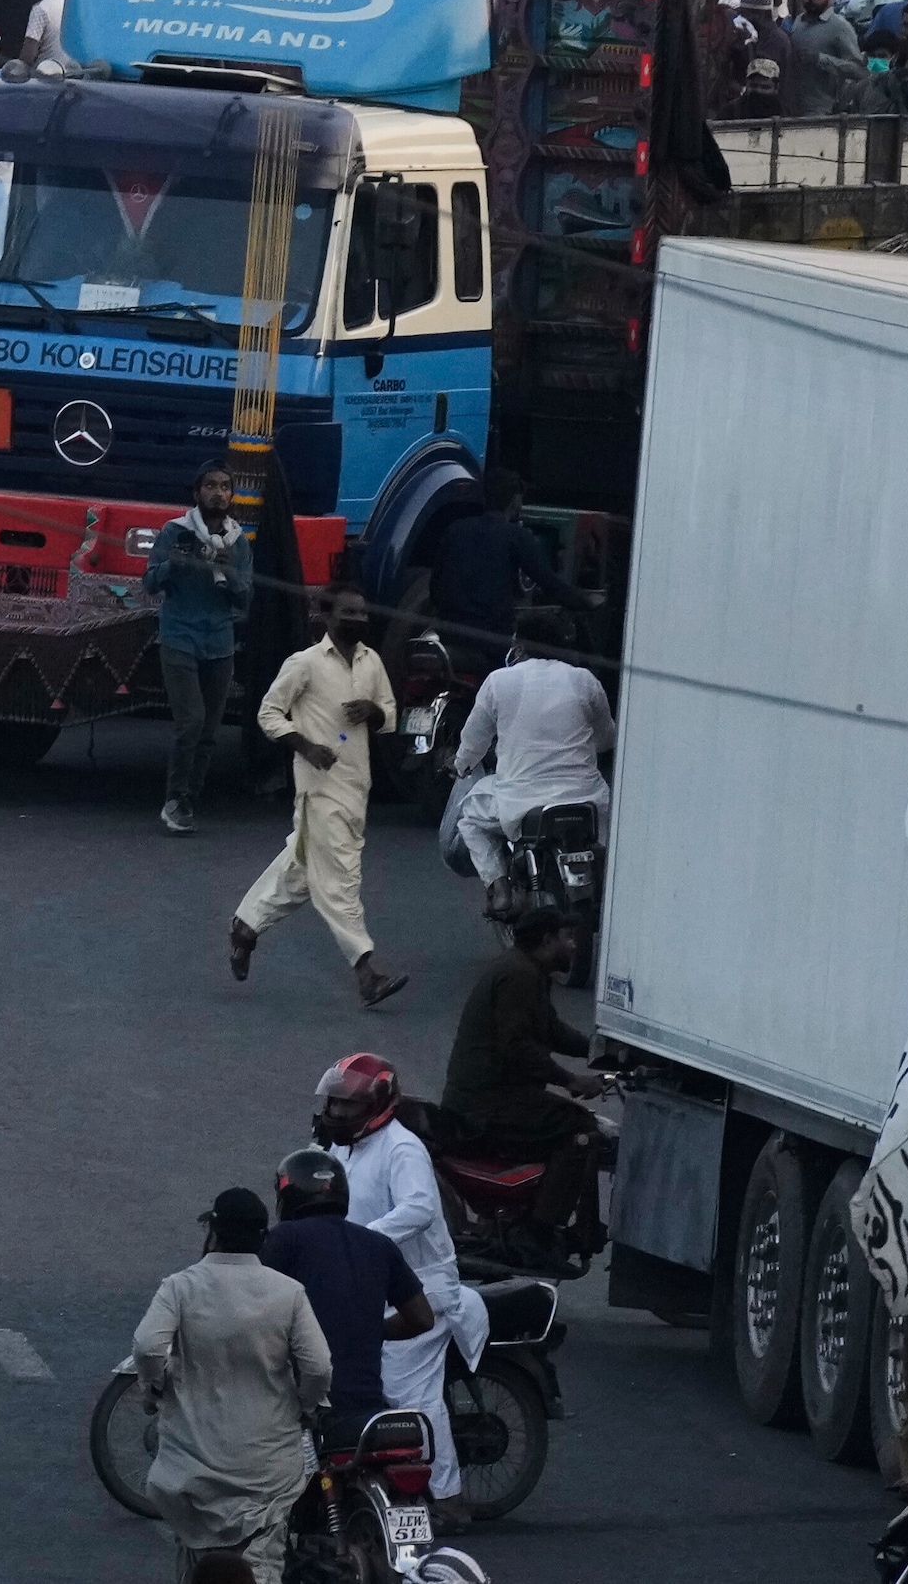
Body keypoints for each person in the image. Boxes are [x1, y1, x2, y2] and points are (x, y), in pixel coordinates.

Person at [129, 1187, 334, 1584]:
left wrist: (154, 1389)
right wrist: (307, 1406)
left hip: (191, 1466)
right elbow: (319, 1366)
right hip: (265, 1470)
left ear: (214, 1234)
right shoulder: (287, 1292)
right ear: (262, 1238)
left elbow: (148, 1346)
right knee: (259, 1567)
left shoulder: (180, 1287)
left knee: (195, 1559)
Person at [232, 586, 408, 1007]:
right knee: (339, 880)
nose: (358, 620)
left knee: (301, 867)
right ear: (327, 617)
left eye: (363, 614)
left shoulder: (372, 661)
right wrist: (305, 746)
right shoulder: (305, 664)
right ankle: (366, 972)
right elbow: (268, 713)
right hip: (318, 789)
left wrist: (373, 711)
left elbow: (390, 717)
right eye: (348, 612)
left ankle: (245, 927)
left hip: (355, 786)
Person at [318, 1051, 480, 1501]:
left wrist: (363, 1240)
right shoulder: (342, 1147)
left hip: (422, 1286)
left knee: (406, 1390)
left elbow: (420, 1209)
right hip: (373, 1280)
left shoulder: (401, 1148)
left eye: (346, 1105)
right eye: (333, 1104)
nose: (336, 1113)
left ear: (375, 1106)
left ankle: (445, 1497)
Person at [258, 1141, 432, 1448]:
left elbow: (253, 1307)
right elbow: (421, 1318)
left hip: (303, 1407)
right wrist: (368, 1329)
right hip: (366, 1407)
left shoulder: (284, 1239)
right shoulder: (379, 1245)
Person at [442, 605, 612, 884]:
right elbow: (606, 739)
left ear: (518, 644)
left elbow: (474, 742)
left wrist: (460, 765)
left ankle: (497, 886)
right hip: (588, 799)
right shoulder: (584, 680)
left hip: (521, 801)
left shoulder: (499, 680)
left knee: (469, 820)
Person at [445, 911, 599, 1165]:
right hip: (483, 1105)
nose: (574, 946)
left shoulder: (529, 969)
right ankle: (550, 1206)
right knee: (582, 1127)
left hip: (495, 1099)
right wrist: (571, 1080)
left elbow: (550, 1028)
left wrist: (598, 1051)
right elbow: (517, 1048)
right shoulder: (519, 975)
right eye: (568, 937)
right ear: (548, 941)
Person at [150, 463, 252, 836]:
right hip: (179, 637)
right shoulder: (175, 532)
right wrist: (173, 565)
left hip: (219, 643)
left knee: (209, 730)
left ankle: (188, 801)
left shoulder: (238, 542)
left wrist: (231, 578)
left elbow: (246, 598)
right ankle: (174, 800)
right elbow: (149, 581)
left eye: (225, 487)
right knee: (190, 721)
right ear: (197, 494)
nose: (218, 493)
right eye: (210, 486)